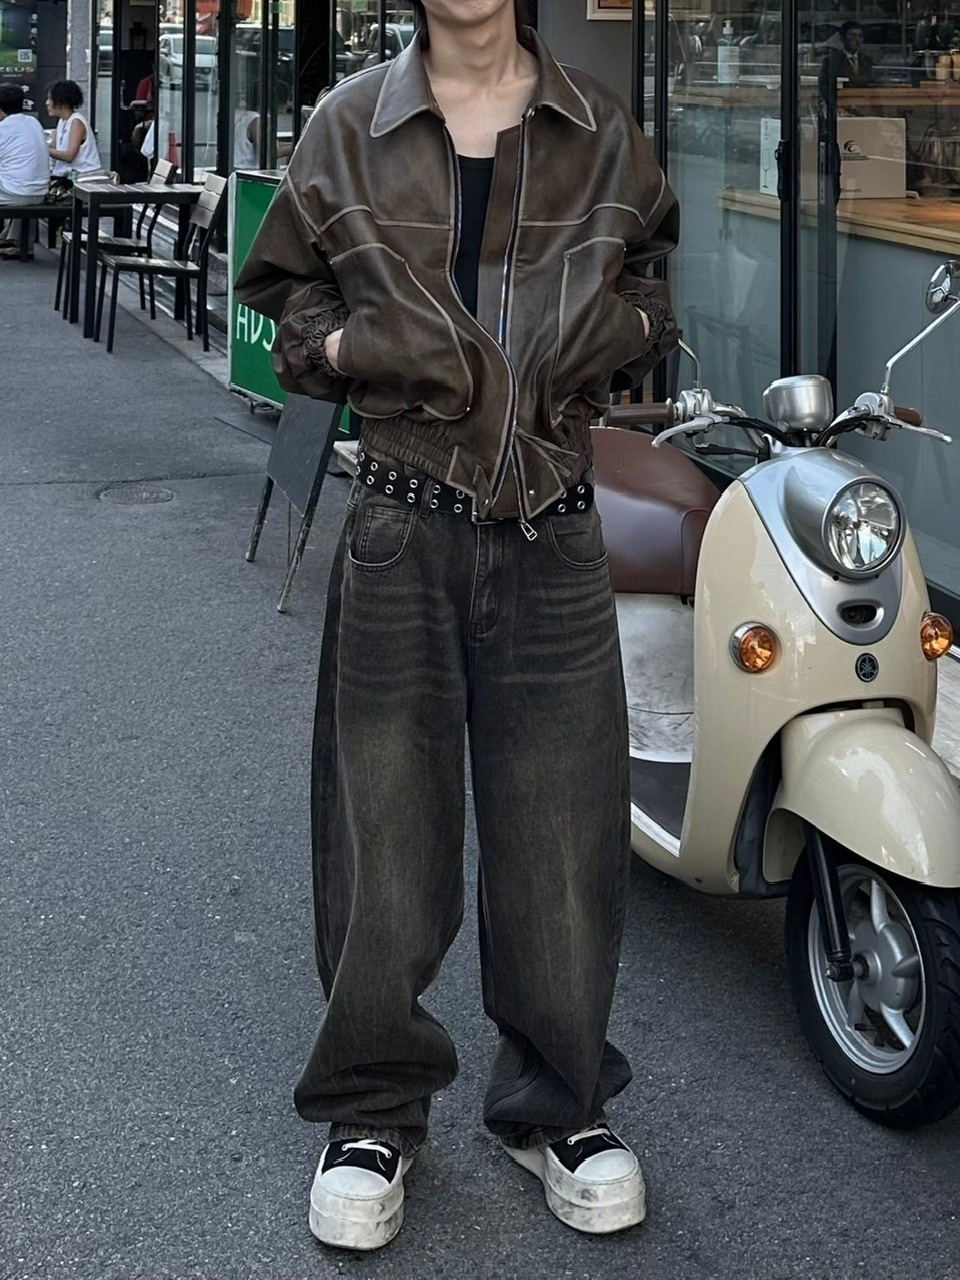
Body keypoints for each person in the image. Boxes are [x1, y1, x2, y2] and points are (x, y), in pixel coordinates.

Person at [235, 0, 678, 1252]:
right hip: (400, 516)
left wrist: (621, 331)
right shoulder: (347, 127)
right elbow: (281, 297)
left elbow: (652, 279)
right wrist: (355, 339)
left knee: (563, 834)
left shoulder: (600, 128)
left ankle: (557, 1104)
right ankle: (374, 1106)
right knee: (385, 833)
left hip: (556, 524)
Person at [0, 84, 50, 259]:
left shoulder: (3, 128)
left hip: (17, 194)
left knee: (14, 182)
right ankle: (20, 243)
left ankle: (14, 241)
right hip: (40, 193)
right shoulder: (34, 122)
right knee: (18, 180)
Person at [46, 80, 105, 179]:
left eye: (51, 99)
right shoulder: (62, 121)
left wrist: (44, 150)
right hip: (66, 175)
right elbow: (53, 148)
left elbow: (69, 156)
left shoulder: (76, 122)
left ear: (63, 102)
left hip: (82, 176)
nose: (47, 103)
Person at [820, 20, 875, 88]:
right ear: (843, 38)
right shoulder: (831, 62)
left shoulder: (867, 60)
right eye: (853, 36)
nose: (857, 40)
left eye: (860, 36)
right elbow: (825, 87)